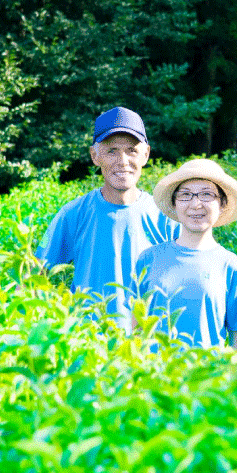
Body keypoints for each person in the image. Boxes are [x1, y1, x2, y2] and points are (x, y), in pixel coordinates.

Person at [35, 106, 179, 329]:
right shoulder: (74, 214)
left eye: (131, 150)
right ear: (95, 156)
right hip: (89, 347)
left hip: (148, 351)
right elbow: (33, 277)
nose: (122, 160)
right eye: (111, 150)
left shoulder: (166, 216)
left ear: (146, 154)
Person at [131, 158, 237, 352]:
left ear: (221, 203)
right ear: (175, 204)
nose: (196, 204)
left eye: (207, 194)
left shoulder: (231, 266)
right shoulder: (148, 259)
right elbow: (135, 328)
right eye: (185, 195)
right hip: (153, 378)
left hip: (207, 379)